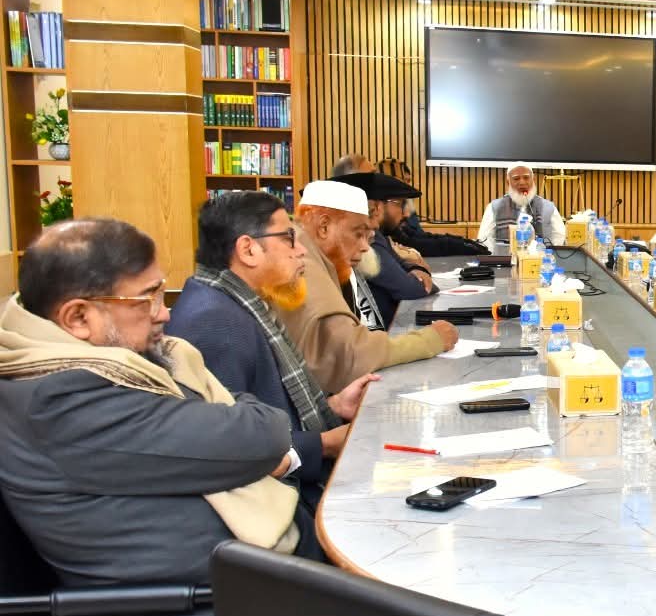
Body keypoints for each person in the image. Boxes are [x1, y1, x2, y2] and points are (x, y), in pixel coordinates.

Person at [0, 219, 303, 616]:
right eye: (148, 298)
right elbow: (262, 436)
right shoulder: (61, 399)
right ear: (78, 318)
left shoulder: (86, 365)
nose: (165, 315)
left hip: (237, 593)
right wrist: (227, 409)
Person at [168, 191, 378, 514]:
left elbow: (263, 406)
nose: (301, 251)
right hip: (280, 509)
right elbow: (232, 451)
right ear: (248, 249)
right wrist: (324, 444)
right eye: (289, 238)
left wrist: (333, 406)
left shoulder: (233, 300)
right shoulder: (215, 322)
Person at [274, 180, 458, 392]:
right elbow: (352, 355)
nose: (365, 248)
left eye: (368, 237)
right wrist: (430, 340)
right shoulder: (302, 264)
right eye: (357, 234)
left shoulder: (310, 253)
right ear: (324, 226)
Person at [331, 171, 438, 327]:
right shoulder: (366, 243)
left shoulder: (373, 236)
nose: (374, 225)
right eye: (371, 214)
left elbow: (399, 262)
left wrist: (416, 268)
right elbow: (408, 288)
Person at [374, 157, 489, 257]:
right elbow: (412, 244)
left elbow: (417, 237)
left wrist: (462, 242)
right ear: (377, 204)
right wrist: (461, 245)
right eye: (399, 202)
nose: (406, 214)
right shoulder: (373, 238)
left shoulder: (388, 226)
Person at [477, 164, 564, 250]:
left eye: (526, 178)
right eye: (516, 178)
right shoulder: (494, 207)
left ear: (533, 180)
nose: (522, 182)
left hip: (541, 258)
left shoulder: (548, 207)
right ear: (508, 182)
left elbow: (559, 237)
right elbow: (485, 240)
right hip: (505, 258)